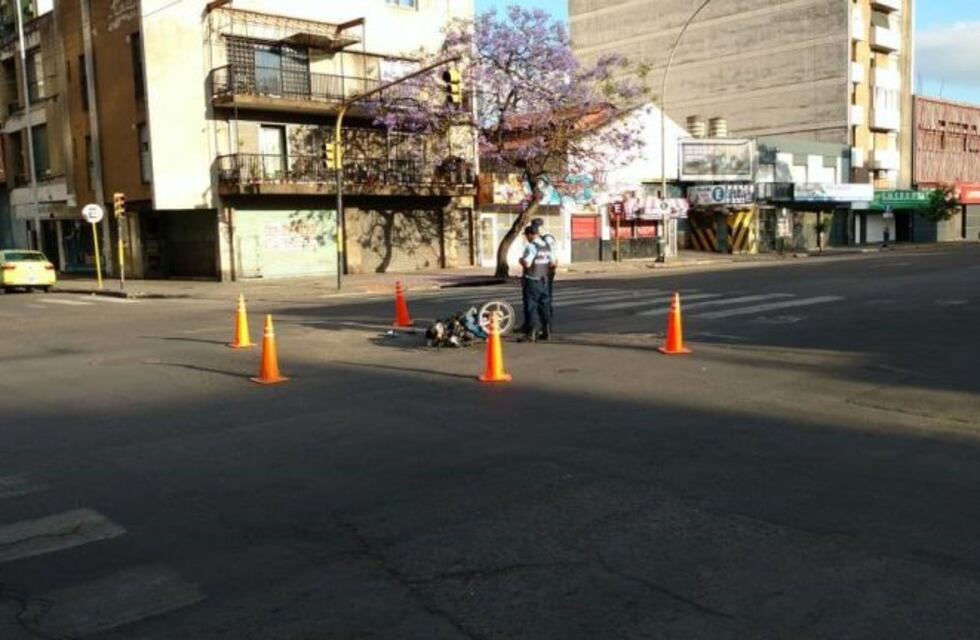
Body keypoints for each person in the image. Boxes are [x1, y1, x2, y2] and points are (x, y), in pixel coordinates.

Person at [519, 225, 554, 342]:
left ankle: (531, 333)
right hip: (544, 280)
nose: (526, 238)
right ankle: (546, 332)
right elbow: (553, 263)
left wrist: (521, 260)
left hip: (532, 280)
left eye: (527, 236)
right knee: (544, 307)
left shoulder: (531, 247)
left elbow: (527, 264)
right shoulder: (547, 246)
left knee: (531, 307)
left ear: (530, 235)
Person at [530, 217, 559, 323]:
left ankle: (546, 322)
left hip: (547, 268)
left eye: (537, 227)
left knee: (545, 296)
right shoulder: (539, 238)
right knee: (540, 295)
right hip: (541, 268)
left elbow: (552, 254)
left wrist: (551, 263)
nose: (536, 230)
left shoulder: (547, 238)